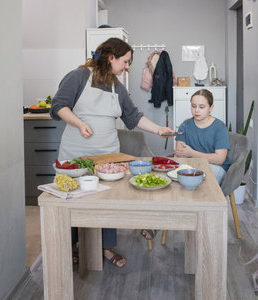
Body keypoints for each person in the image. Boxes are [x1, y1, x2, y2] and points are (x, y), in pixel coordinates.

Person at [49, 37, 174, 268]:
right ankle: (74, 246)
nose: (127, 67)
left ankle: (105, 248)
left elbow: (133, 117)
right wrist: (78, 122)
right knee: (75, 203)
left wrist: (159, 130)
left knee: (106, 201)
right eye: (125, 61)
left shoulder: (118, 86)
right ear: (111, 57)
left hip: (108, 158)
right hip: (76, 157)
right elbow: (58, 106)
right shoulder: (78, 76)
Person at [174, 89, 230, 184]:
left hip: (215, 167)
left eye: (202, 107)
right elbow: (179, 155)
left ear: (211, 108)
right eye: (193, 106)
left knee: (195, 177)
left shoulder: (219, 127)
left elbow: (220, 159)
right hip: (191, 166)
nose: (197, 110)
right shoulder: (185, 125)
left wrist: (191, 153)